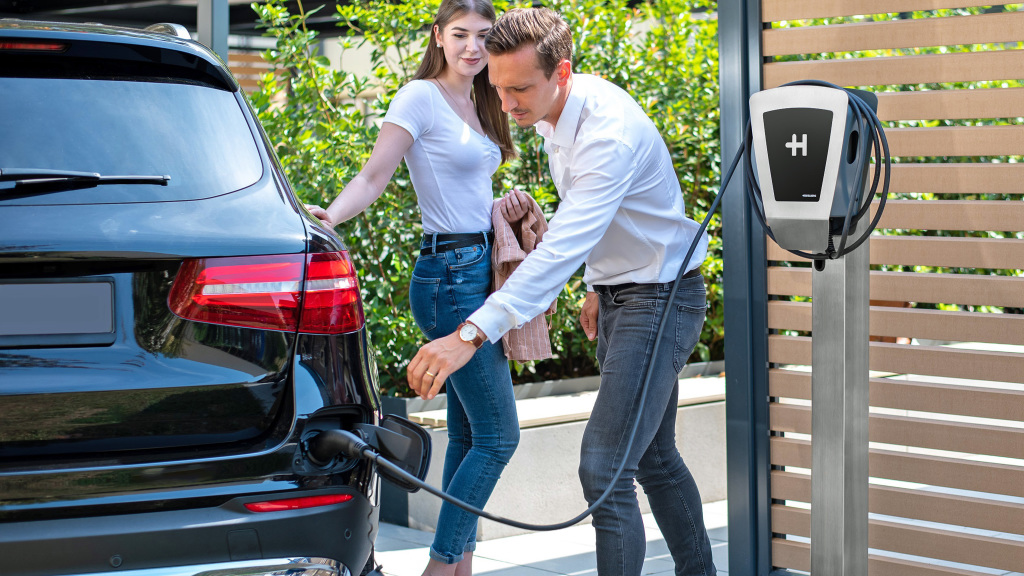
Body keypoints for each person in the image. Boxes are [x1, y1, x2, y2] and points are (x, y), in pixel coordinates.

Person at [406, 7, 717, 576]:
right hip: (627, 293)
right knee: (653, 457)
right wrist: (600, 284)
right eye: (498, 89)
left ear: (562, 73)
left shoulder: (608, 135)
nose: (507, 105)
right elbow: (598, 221)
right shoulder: (552, 112)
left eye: (520, 88)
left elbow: (563, 246)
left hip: (662, 298)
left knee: (603, 470)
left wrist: (470, 334)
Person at [305, 1, 532, 574]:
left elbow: (465, 186)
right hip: (451, 276)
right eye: (460, 35)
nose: (473, 48)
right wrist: (327, 219)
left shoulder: (483, 99)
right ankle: (441, 565)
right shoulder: (419, 97)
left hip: (478, 266)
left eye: (484, 37)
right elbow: (373, 175)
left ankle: (461, 566)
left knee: (467, 435)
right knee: (499, 438)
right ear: (438, 35)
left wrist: (499, 210)